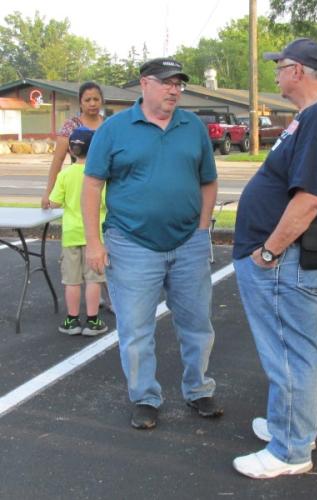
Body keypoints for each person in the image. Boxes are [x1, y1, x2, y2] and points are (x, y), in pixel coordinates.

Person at [232, 38, 317, 479]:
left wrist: (268, 251)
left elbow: (308, 199)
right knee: (298, 351)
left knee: (289, 354)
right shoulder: (315, 116)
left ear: (298, 71)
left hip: (285, 258)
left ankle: (290, 450)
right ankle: (292, 426)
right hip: (289, 258)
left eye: (280, 66)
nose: (276, 74)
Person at [81, 57, 223, 429]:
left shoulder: (192, 126)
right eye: (167, 82)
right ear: (145, 84)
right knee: (136, 329)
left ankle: (198, 389)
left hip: (188, 242)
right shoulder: (113, 129)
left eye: (179, 83)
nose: (175, 89)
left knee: (197, 324)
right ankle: (144, 397)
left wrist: (202, 228)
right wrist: (94, 243)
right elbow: (92, 185)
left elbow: (208, 180)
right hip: (130, 244)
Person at [49, 127, 108, 337]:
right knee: (94, 279)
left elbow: (54, 201)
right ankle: (93, 320)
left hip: (71, 233)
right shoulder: (100, 176)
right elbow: (105, 202)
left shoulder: (65, 174)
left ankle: (72, 319)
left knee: (71, 280)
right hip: (96, 235)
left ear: (71, 151)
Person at [42, 81, 104, 209]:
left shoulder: (110, 125)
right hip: (78, 187)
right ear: (80, 103)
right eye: (87, 100)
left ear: (101, 101)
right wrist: (48, 191)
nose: (92, 103)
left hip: (106, 186)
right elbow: (58, 160)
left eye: (96, 99)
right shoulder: (71, 126)